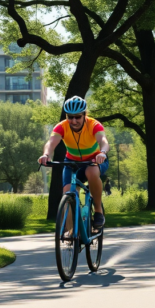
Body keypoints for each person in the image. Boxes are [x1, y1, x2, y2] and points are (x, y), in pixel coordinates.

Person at [38, 96, 110, 229]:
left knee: (91, 171)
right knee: (67, 194)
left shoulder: (94, 125)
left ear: (84, 115)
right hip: (72, 163)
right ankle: (71, 233)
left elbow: (103, 141)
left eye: (78, 117)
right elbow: (51, 143)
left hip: (95, 159)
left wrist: (102, 153)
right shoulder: (61, 127)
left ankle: (98, 211)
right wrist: (46, 155)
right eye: (70, 117)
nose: (74, 121)